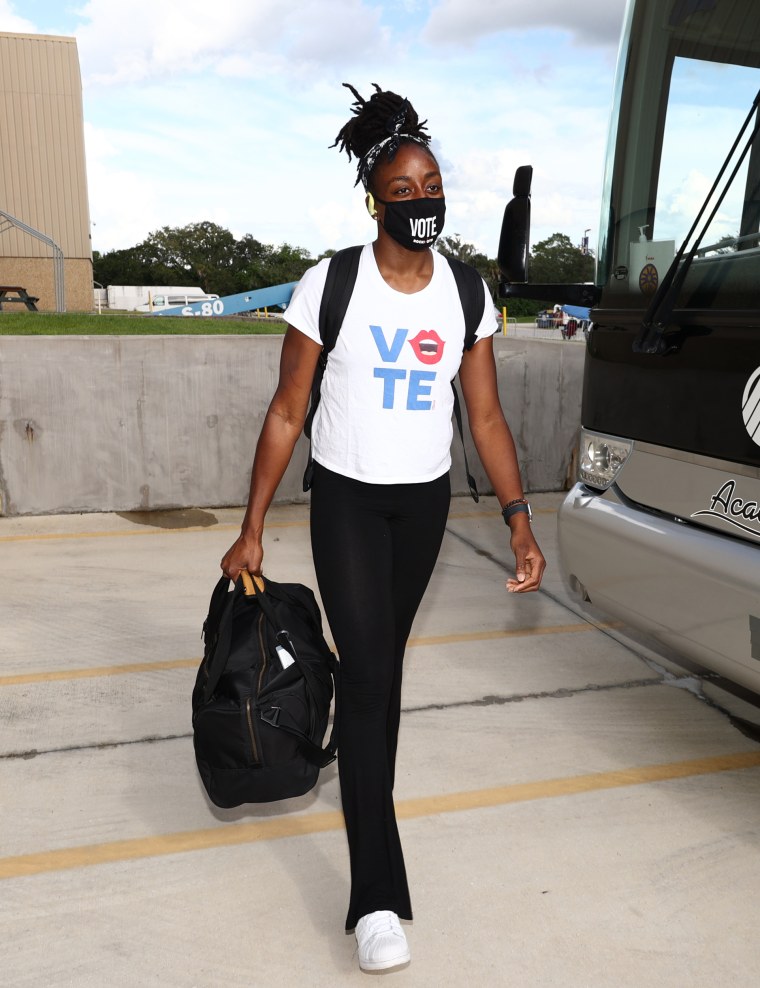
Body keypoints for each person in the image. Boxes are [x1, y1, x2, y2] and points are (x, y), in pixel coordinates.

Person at [221, 83, 546, 974]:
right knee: (372, 676)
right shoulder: (334, 283)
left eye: (432, 184)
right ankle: (376, 899)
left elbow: (484, 420)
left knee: (379, 675)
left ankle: (346, 741)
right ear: (374, 198)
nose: (422, 202)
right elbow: (288, 411)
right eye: (403, 191)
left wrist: (521, 522)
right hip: (348, 502)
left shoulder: (467, 293)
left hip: (424, 504)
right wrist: (252, 525)